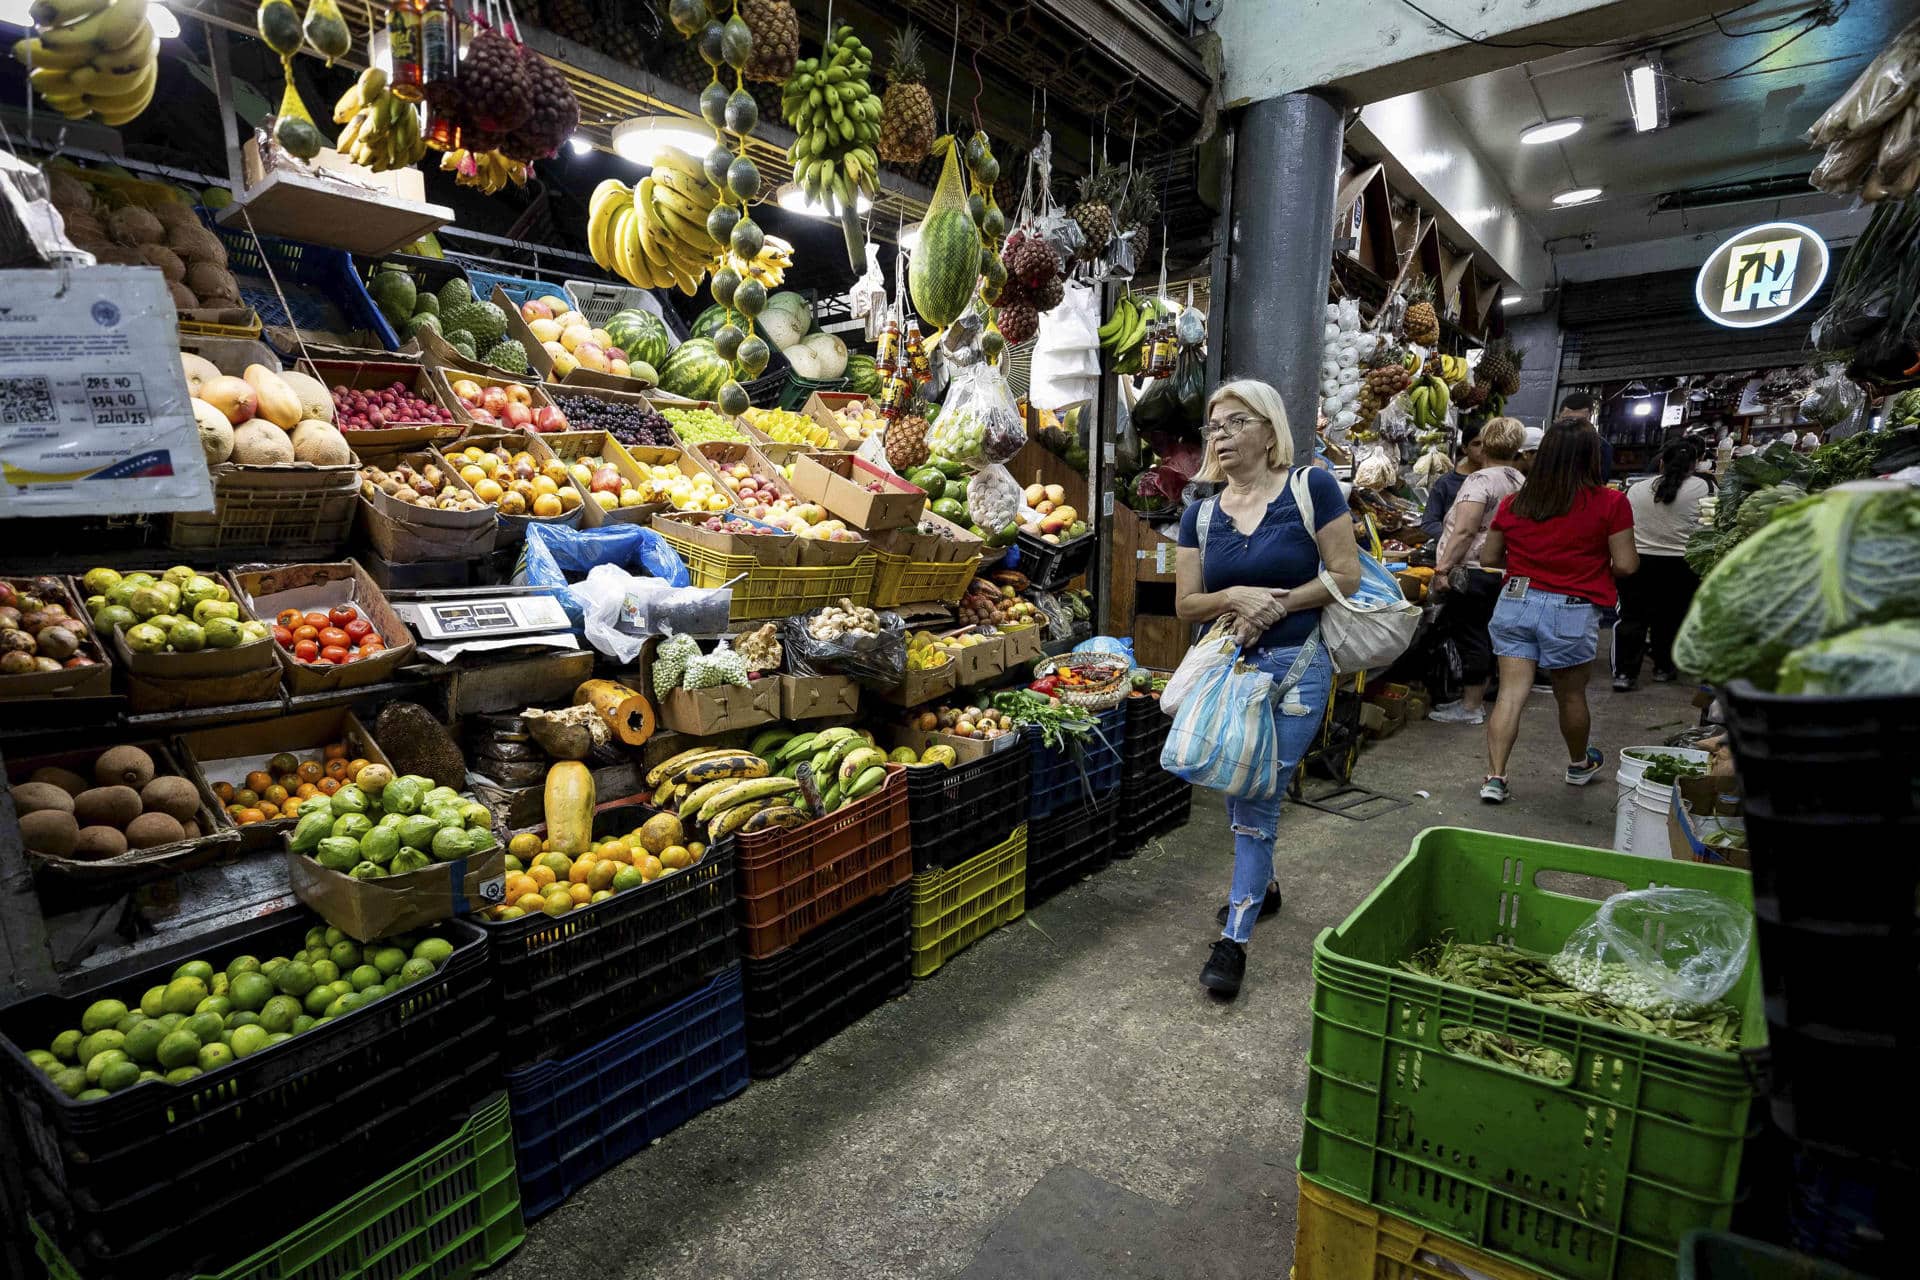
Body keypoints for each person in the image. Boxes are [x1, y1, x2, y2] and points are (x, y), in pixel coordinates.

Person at [1174, 379, 1360, 997]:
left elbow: (1346, 575)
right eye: (1213, 427)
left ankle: (1235, 940)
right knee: (1238, 781)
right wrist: (1233, 596)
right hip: (1232, 670)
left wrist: (1275, 605)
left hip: (1297, 670)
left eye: (1233, 423)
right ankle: (1267, 886)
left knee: (1256, 798)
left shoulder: (1312, 487)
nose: (1219, 437)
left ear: (1267, 426)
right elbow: (1186, 605)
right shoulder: (1199, 512)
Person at [1476, 421, 1637, 803]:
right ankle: (1579, 764)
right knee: (1570, 696)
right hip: (1571, 608)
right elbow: (1627, 565)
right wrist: (1587, 568)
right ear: (1591, 458)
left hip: (1515, 601)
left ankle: (1495, 778)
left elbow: (1489, 558)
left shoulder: (1516, 503)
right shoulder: (1611, 503)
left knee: (1510, 695)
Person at [1427, 418, 1528, 724]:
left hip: (1473, 569)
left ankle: (1471, 706)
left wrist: (1443, 567)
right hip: (1505, 570)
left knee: (1471, 635)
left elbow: (1465, 530)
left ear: (1485, 443)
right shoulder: (1520, 480)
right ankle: (1477, 698)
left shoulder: (1480, 481)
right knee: (1487, 633)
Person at [1612, 439, 1708, 690]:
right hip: (1682, 565)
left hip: (1639, 561)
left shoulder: (1637, 488)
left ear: (1662, 462)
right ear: (1694, 465)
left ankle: (1624, 674)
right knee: (1671, 618)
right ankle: (1663, 668)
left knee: (1632, 618)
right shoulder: (1703, 487)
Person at [1418, 418, 1484, 542]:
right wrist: (1453, 540)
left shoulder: (1496, 481)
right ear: (1464, 448)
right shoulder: (1446, 483)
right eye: (1476, 444)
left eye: (1487, 444)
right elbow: (1429, 523)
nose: (1483, 448)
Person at [1558, 394, 1613, 478]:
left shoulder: (1601, 447)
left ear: (1589, 420)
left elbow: (1599, 482)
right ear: (1558, 418)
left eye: (1580, 422)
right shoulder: (1547, 442)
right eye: (1568, 420)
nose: (1573, 426)